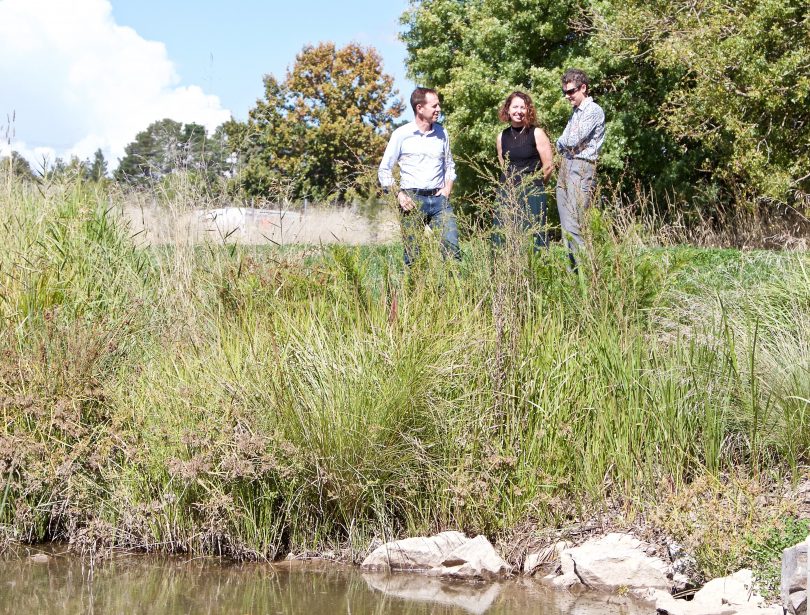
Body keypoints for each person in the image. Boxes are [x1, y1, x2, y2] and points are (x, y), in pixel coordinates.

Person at [378, 87, 460, 266]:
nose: (438, 109)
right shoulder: (401, 134)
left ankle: (454, 292)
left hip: (439, 201)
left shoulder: (442, 133)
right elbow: (384, 170)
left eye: (438, 105)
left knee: (452, 251)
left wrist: (447, 190)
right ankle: (414, 291)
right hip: (412, 202)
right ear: (419, 108)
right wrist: (399, 194)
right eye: (434, 105)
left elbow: (450, 166)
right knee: (413, 258)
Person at [555, 68, 605, 270]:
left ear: (583, 88)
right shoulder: (575, 113)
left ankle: (587, 272)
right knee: (566, 224)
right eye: (565, 92)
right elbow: (561, 143)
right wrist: (565, 143)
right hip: (566, 166)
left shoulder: (593, 110)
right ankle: (572, 272)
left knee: (575, 223)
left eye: (571, 91)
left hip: (582, 167)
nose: (568, 96)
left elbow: (573, 139)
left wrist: (565, 142)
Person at [494, 91, 554, 251]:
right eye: (515, 107)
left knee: (533, 239)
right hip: (507, 194)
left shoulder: (537, 133)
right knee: (505, 238)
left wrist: (536, 186)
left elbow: (548, 166)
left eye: (523, 107)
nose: (519, 111)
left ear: (528, 110)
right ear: (508, 109)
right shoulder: (501, 136)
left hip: (532, 193)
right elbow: (504, 165)